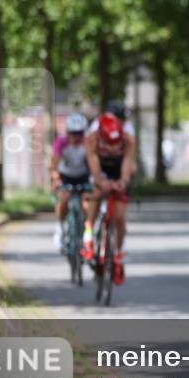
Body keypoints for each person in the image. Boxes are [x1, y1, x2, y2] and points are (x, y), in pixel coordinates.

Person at [82, 110, 136, 285]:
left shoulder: (128, 139)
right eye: (109, 144)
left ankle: (118, 255)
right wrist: (100, 181)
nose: (113, 148)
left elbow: (127, 161)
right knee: (96, 193)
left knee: (120, 216)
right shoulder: (92, 139)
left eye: (116, 144)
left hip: (118, 168)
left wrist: (124, 181)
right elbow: (93, 161)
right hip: (100, 167)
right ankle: (89, 233)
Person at [50, 113, 93, 251]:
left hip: (83, 175)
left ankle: (87, 233)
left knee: (87, 204)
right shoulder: (61, 142)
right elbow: (55, 164)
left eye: (79, 133)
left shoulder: (88, 143)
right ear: (68, 133)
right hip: (66, 176)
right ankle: (60, 228)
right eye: (73, 134)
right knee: (63, 200)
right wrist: (56, 179)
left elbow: (94, 164)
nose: (76, 137)